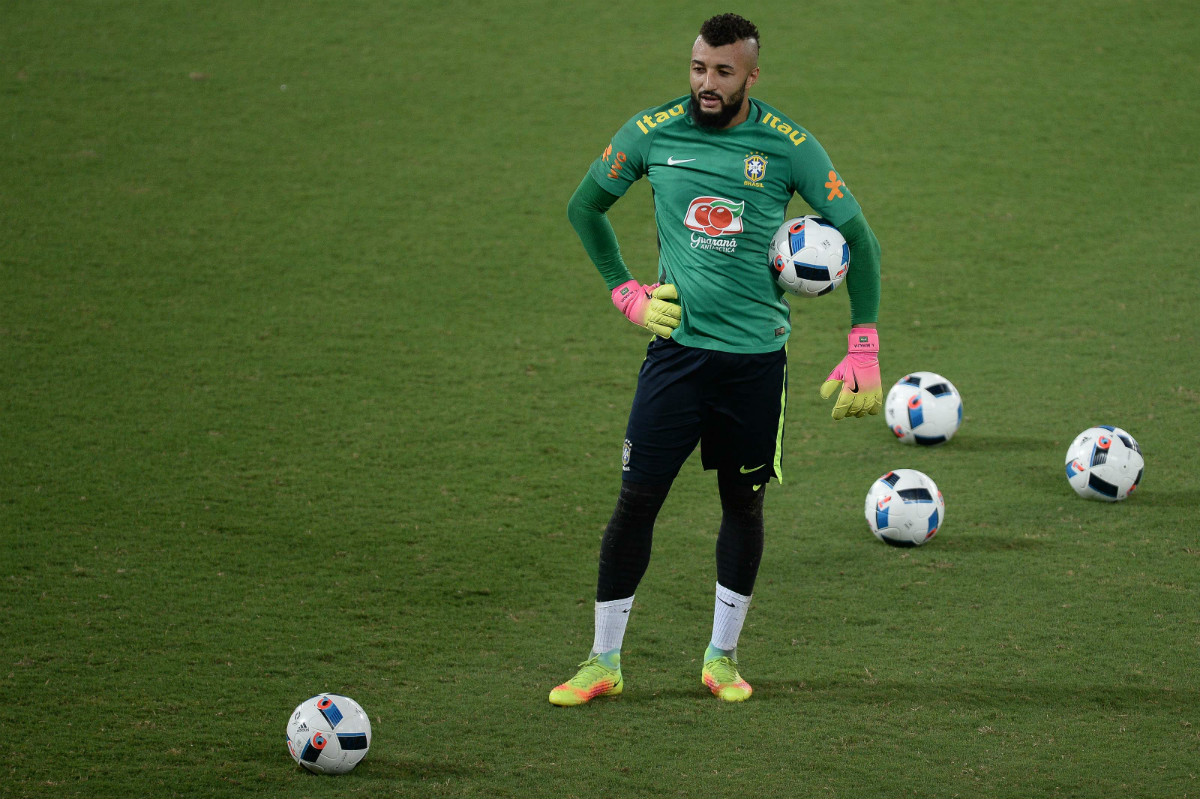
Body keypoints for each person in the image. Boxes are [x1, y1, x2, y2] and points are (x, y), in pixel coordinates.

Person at [549, 13, 883, 706]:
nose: (707, 82)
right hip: (675, 357)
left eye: (723, 72)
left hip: (755, 365)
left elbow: (860, 236)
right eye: (699, 67)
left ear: (750, 77)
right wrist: (626, 293)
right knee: (637, 501)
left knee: (743, 504)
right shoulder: (651, 133)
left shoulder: (788, 146)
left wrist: (864, 345)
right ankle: (602, 660)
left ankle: (722, 659)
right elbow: (585, 208)